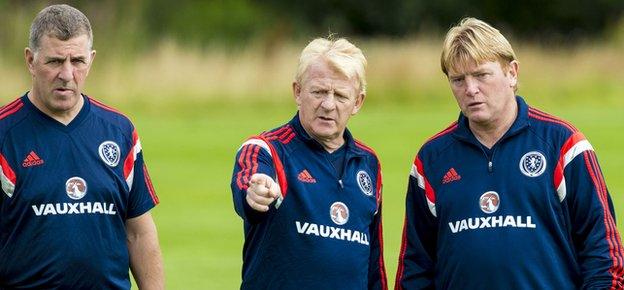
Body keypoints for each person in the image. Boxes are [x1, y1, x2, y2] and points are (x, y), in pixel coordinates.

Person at [395, 17, 624, 289]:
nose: (470, 89)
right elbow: (415, 268)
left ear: (512, 73)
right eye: (458, 79)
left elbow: (604, 254)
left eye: (481, 75)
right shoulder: (432, 160)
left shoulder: (564, 145)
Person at [0, 4, 164, 289]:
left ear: (91, 59)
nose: (66, 74)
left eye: (77, 61)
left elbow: (138, 232)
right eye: (54, 61)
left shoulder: (120, 131)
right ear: (30, 60)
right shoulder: (5, 133)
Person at [231, 37, 387, 289]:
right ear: (298, 91)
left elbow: (374, 264)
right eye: (319, 91)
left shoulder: (368, 163)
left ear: (357, 102)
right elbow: (247, 188)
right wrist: (255, 192)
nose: (328, 104)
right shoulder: (266, 150)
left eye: (340, 95)